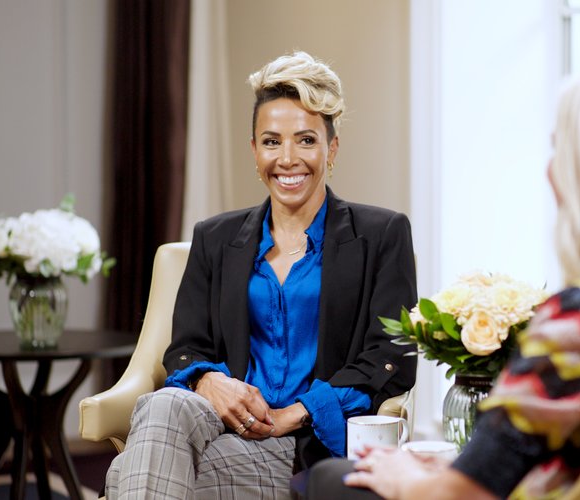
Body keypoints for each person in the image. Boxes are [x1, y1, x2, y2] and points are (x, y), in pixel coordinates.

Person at [306, 64, 580, 499]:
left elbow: (459, 496)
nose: (551, 171)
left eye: (560, 151)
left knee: (330, 478)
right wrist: (456, 466)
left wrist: (406, 476)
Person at [104, 51, 418, 498]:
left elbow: (392, 357)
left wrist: (298, 412)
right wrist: (208, 380)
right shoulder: (215, 238)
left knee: (127, 474)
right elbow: (185, 349)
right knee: (166, 403)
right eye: (271, 142)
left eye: (306, 140)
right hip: (218, 427)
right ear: (254, 150)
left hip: (304, 447)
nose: (287, 159)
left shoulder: (382, 234)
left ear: (332, 148)